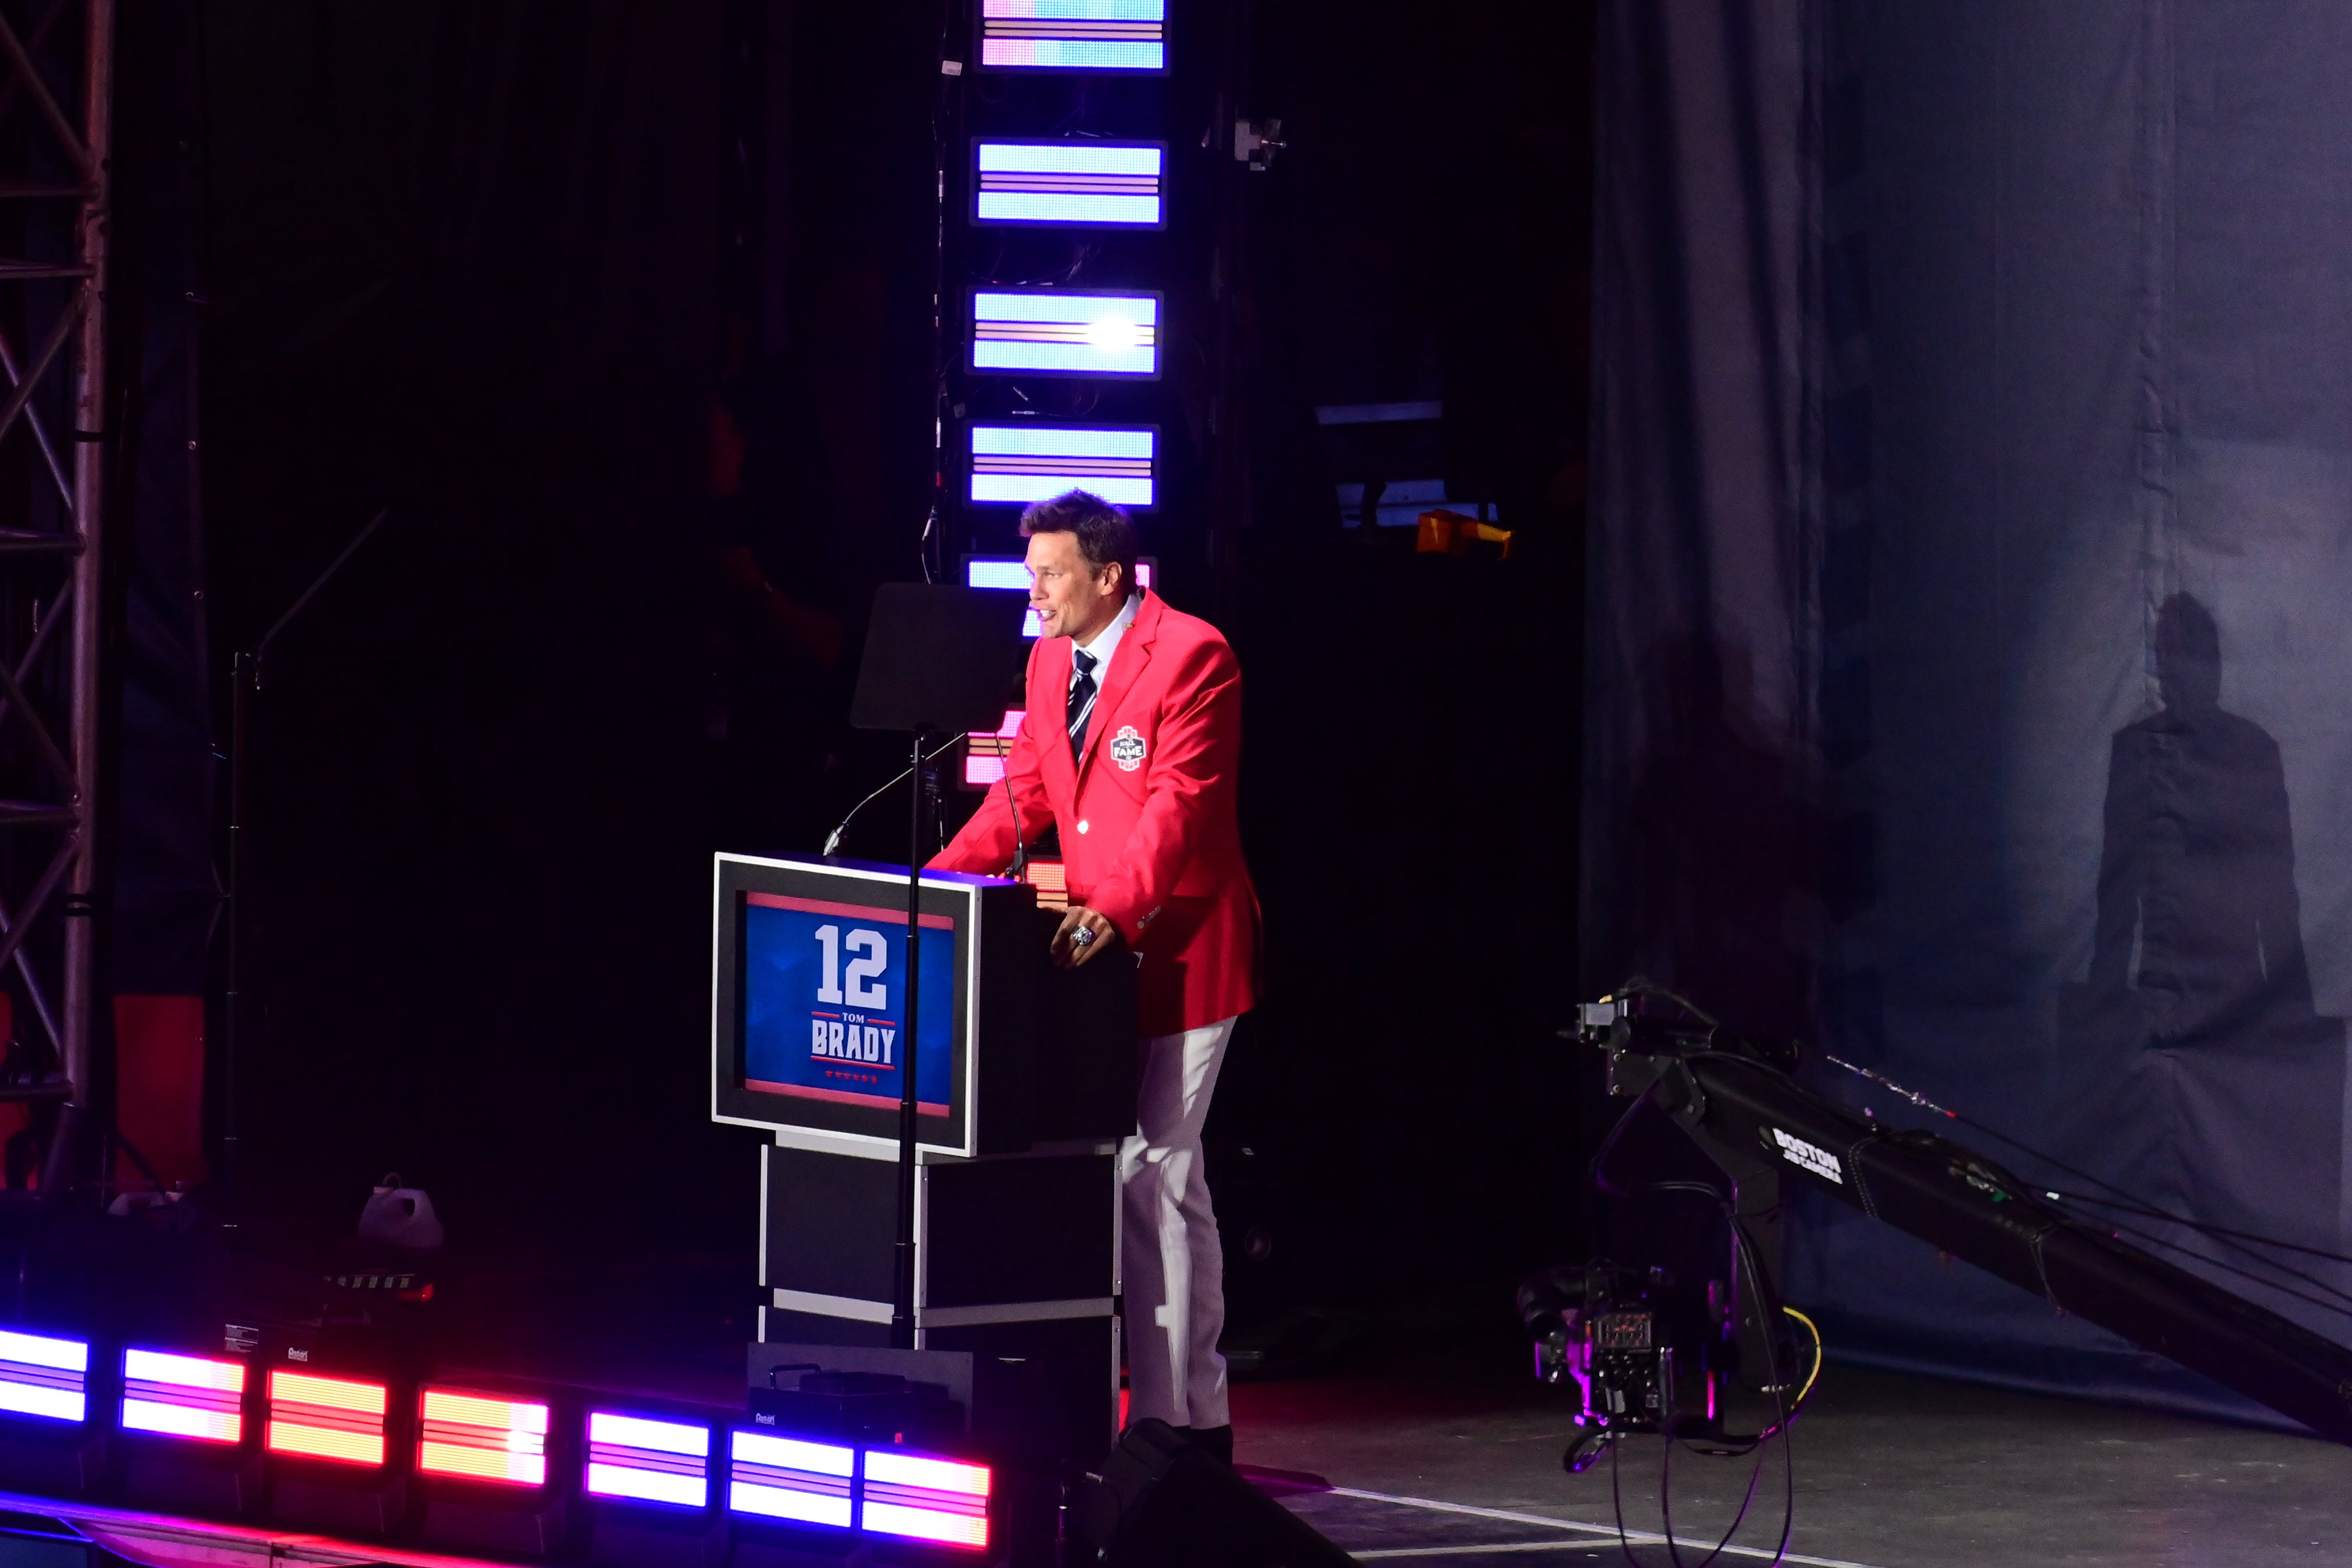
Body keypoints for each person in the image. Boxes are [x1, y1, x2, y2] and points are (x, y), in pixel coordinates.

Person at [929, 490, 1259, 1464]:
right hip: (1093, 961)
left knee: (1149, 1170)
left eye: (1050, 573)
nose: (1033, 594)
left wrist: (1111, 912)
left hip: (1184, 950)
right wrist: (934, 887)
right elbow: (1026, 791)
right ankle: (1195, 1418)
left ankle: (1164, 1427)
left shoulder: (1194, 654)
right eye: (1030, 573)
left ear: (1109, 575)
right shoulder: (1045, 660)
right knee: (1166, 1178)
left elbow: (1178, 808)